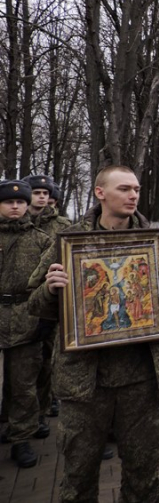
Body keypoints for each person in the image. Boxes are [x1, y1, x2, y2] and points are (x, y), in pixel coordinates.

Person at [27, 165, 159, 502]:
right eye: (124, 189)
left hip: (142, 381)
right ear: (100, 193)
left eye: (136, 188)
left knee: (143, 479)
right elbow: (35, 303)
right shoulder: (69, 242)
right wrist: (51, 290)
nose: (133, 195)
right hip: (85, 386)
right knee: (78, 479)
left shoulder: (152, 242)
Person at [0, 180, 53, 468]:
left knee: (24, 384)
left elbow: (47, 284)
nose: (16, 206)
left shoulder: (41, 239)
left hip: (26, 318)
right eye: (9, 202)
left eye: (20, 202)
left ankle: (21, 438)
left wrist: (43, 320)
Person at [23, 175, 70, 423]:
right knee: (25, 364)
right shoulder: (17, 222)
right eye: (36, 192)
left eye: (45, 193)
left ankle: (46, 404)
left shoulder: (61, 225)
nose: (41, 197)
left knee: (48, 357)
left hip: (51, 301)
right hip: (21, 304)